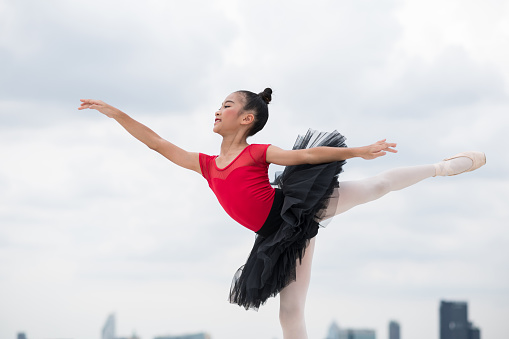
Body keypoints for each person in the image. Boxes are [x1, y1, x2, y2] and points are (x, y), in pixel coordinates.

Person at [79, 88, 486, 339]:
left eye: (226, 105)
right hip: (277, 239)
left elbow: (307, 155)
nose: (217, 111)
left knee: (375, 187)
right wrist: (117, 114)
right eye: (218, 105)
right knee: (289, 312)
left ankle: (443, 167)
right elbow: (157, 143)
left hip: (295, 209)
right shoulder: (205, 163)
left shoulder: (258, 152)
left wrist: (357, 151)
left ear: (247, 118)